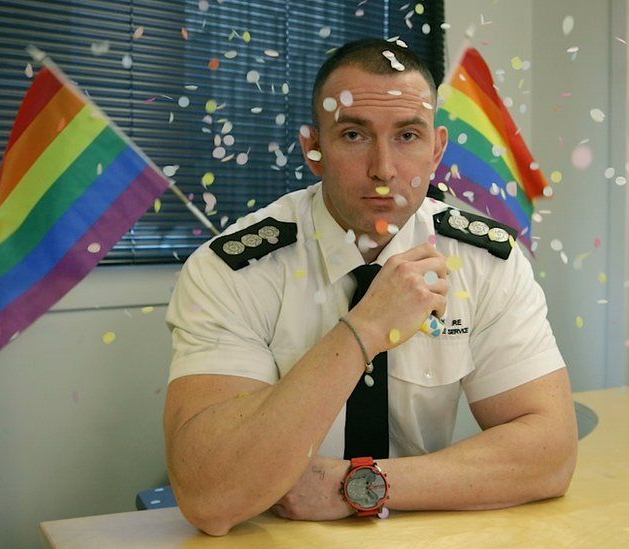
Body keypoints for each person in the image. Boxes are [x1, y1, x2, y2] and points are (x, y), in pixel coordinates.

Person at [163, 38, 577, 536]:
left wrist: (360, 485)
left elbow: (550, 454)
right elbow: (210, 497)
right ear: (313, 149)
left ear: (437, 149)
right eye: (355, 135)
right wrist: (366, 327)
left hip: (422, 530)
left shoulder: (486, 262)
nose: (384, 168)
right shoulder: (232, 269)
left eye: (407, 136)